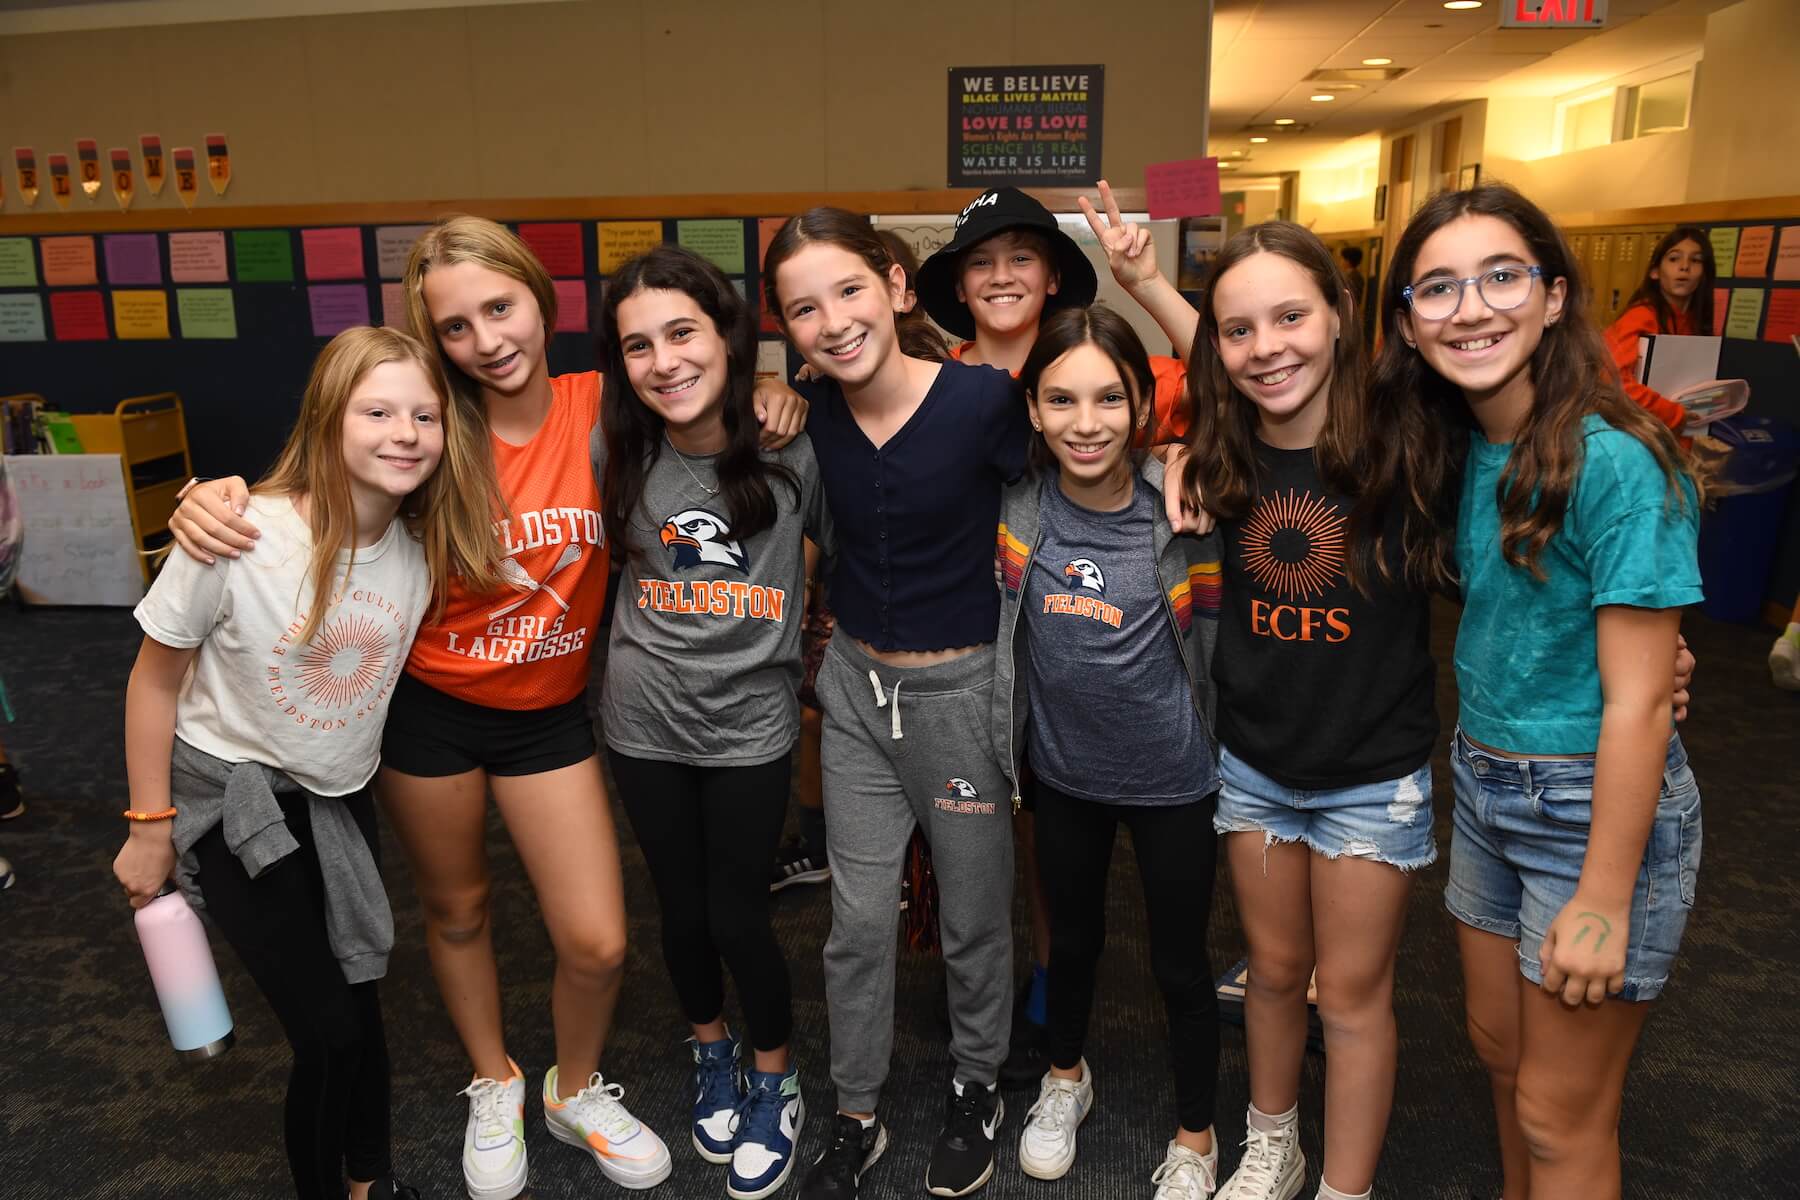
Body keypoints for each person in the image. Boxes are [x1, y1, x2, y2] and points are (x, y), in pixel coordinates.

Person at [167, 217, 806, 1199]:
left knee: (597, 939)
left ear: (540, 297)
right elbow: (318, 482)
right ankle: (494, 1078)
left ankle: (575, 1086)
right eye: (455, 328)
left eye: (498, 309)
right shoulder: (430, 429)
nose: (485, 341)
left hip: (551, 715)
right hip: (430, 712)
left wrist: (773, 390)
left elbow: (705, 405)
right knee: (457, 911)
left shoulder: (613, 408)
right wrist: (210, 499)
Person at [112, 325, 493, 1200]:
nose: (405, 432)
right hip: (232, 805)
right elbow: (152, 681)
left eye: (425, 416)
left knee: (360, 1002)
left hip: (336, 802)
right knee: (327, 1033)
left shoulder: (419, 547)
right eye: (378, 411)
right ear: (328, 420)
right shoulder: (240, 535)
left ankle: (372, 1179)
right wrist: (149, 827)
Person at [1380, 183, 1704, 1200]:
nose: (1470, 308)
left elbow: (1643, 702)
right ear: (1407, 322)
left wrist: (1605, 901)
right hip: (1482, 787)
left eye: (1501, 276)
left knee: (1561, 1121)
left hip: (1587, 808)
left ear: (1556, 297)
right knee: (1505, 1063)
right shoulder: (1457, 443)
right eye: (1438, 287)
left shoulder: (1615, 460)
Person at [765, 207, 1023, 1200]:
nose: (830, 321)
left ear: (898, 288)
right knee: (857, 922)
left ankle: (974, 1088)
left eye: (848, 290)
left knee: (971, 917)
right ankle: (856, 1111)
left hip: (960, 697)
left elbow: (1066, 489)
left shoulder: (981, 402)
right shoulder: (814, 407)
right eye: (802, 308)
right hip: (858, 700)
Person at [594, 245, 829, 1199]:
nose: (664, 362)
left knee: (740, 914)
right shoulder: (621, 444)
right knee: (680, 911)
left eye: (683, 333)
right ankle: (709, 1047)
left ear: (728, 336)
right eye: (639, 345)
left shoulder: (795, 444)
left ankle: (776, 1076)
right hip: (642, 719)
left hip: (750, 726)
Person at [994, 304, 1226, 1200]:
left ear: (1144, 406)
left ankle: (1195, 1136)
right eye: (1060, 401)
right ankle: (1064, 1080)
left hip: (1176, 780)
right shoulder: (1017, 504)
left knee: (1178, 962)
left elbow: (1248, 399)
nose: (1085, 424)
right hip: (1065, 778)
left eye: (1109, 400)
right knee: (1073, 945)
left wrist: (1189, 453)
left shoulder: (1182, 505)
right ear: (1033, 411)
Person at [1602, 227, 1717, 436]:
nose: (1684, 267)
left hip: (1673, 438)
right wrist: (1672, 414)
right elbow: (1612, 382)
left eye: (1696, 260)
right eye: (1674, 259)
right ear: (1655, 272)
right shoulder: (1641, 316)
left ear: (1705, 274)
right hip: (1637, 436)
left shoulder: (1694, 322)